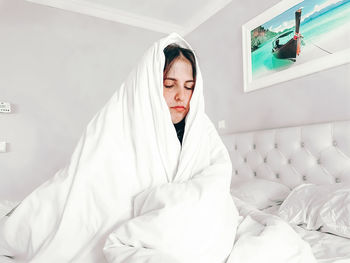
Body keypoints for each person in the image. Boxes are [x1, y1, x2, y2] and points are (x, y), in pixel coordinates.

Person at [0, 33, 235, 263]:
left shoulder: (202, 128)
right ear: (151, 87)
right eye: (169, 84)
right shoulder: (120, 119)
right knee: (40, 221)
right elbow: (90, 183)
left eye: (189, 86)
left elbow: (216, 179)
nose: (181, 96)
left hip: (168, 220)